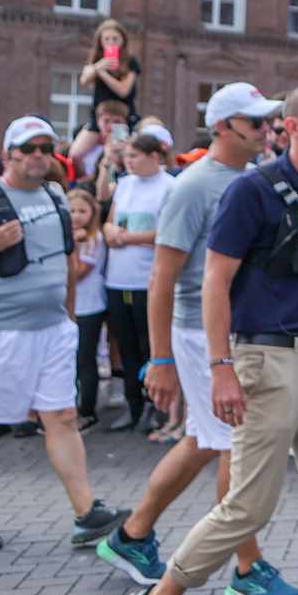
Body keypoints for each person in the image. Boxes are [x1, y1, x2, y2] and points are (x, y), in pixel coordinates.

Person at [121, 84, 298, 595]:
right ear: (292, 127)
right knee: (249, 505)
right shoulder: (251, 191)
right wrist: (220, 367)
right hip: (264, 359)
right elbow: (213, 282)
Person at [96, 82, 298, 595]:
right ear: (222, 127)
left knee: (207, 441)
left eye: (267, 121)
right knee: (234, 444)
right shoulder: (192, 186)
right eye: (254, 122)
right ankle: (246, 567)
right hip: (197, 331)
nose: (266, 129)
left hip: (231, 328)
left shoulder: (254, 178)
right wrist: (161, 358)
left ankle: (133, 533)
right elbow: (162, 278)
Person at [0, 116, 128, 551]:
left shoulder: (55, 196)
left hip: (52, 330)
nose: (38, 155)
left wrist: (68, 318)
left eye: (45, 148)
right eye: (29, 148)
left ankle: (86, 510)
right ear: (11, 153)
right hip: (0, 331)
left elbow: (67, 261)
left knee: (62, 417)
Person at [102, 127, 176, 433]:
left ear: (154, 156)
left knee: (150, 346)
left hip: (148, 278)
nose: (128, 161)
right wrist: (110, 232)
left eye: (134, 156)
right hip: (118, 279)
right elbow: (109, 222)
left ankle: (155, 407)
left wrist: (130, 238)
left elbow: (170, 234)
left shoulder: (170, 187)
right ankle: (132, 406)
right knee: (126, 346)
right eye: (126, 156)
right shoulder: (124, 185)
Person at [69, 18, 142, 170]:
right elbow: (84, 80)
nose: (111, 42)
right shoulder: (97, 61)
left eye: (115, 39)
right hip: (99, 118)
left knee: (117, 157)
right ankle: (87, 181)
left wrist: (103, 74)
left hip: (121, 118)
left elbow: (123, 90)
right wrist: (97, 67)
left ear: (123, 40)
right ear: (100, 41)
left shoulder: (131, 62)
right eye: (106, 39)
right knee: (75, 154)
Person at [69, 187, 108, 432]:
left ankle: (88, 410)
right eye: (71, 210)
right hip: (71, 307)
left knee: (85, 359)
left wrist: (72, 247)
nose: (76, 216)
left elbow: (77, 274)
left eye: (82, 211)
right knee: (71, 360)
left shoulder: (95, 239)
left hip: (89, 306)